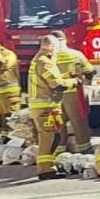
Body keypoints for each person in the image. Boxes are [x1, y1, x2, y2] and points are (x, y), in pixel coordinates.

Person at [27, 31, 70, 179]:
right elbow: (56, 85)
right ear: (50, 46)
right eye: (57, 46)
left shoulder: (38, 60)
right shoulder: (44, 62)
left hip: (45, 106)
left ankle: (49, 167)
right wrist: (73, 82)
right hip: (46, 107)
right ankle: (45, 170)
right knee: (48, 138)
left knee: (54, 136)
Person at [52, 39, 95, 153]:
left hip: (55, 95)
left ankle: (60, 149)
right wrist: (87, 81)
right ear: (65, 40)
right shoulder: (75, 54)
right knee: (79, 122)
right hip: (73, 92)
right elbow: (90, 70)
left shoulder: (50, 57)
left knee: (58, 123)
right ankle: (84, 149)